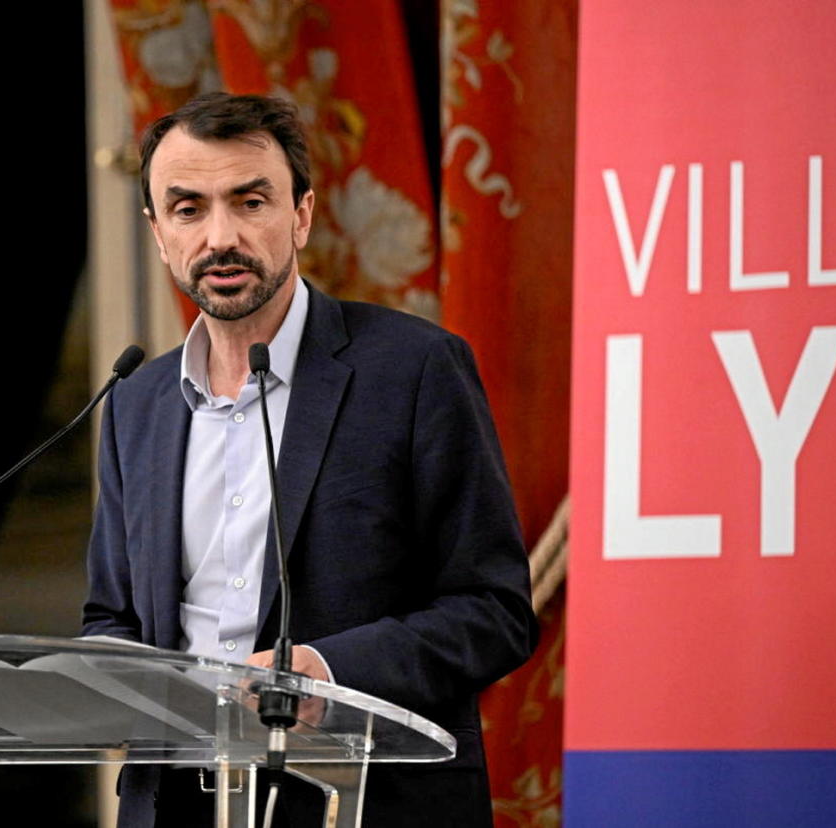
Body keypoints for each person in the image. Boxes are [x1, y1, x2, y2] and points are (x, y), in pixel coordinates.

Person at [82, 92, 538, 827]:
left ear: (301, 214)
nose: (220, 236)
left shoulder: (415, 370)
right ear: (159, 233)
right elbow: (112, 620)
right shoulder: (137, 403)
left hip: (360, 804)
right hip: (176, 808)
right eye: (189, 209)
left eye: (250, 201)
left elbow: (494, 613)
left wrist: (325, 673)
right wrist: (99, 676)